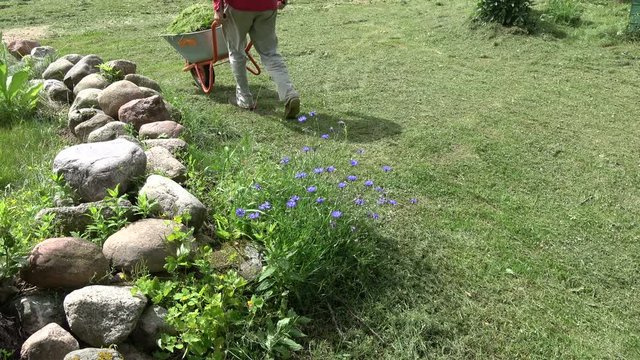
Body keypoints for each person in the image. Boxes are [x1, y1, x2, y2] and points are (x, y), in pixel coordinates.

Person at [213, 0, 300, 119]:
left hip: (238, 7)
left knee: (236, 52)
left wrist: (218, 8)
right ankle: (289, 93)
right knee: (270, 54)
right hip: (267, 6)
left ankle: (244, 99)